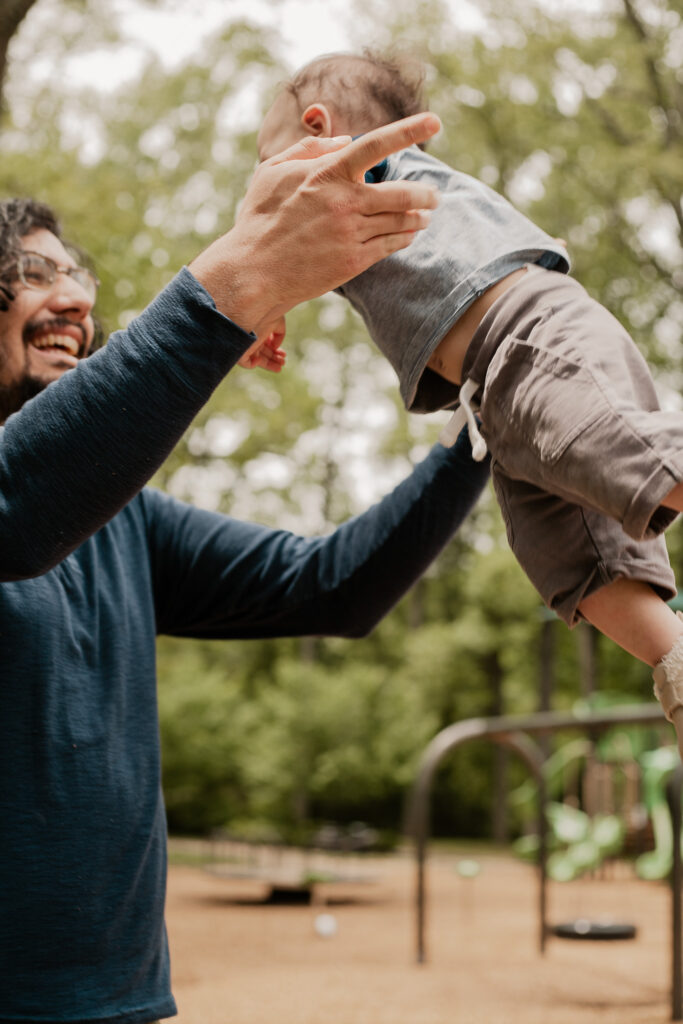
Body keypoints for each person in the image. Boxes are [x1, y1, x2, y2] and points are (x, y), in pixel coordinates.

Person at [0, 116, 492, 1024]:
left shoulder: (125, 523)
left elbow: (330, 587)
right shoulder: (24, 501)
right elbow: (15, 511)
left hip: (127, 1003)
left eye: (77, 275)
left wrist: (477, 431)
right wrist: (248, 273)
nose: (71, 297)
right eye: (32, 275)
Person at [257, 51, 683, 752]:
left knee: (618, 450)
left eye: (264, 158)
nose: (261, 181)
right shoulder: (344, 228)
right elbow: (283, 265)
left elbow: (273, 238)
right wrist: (267, 309)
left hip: (530, 339)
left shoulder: (372, 171)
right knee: (570, 561)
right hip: (492, 400)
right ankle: (672, 656)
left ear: (318, 128)